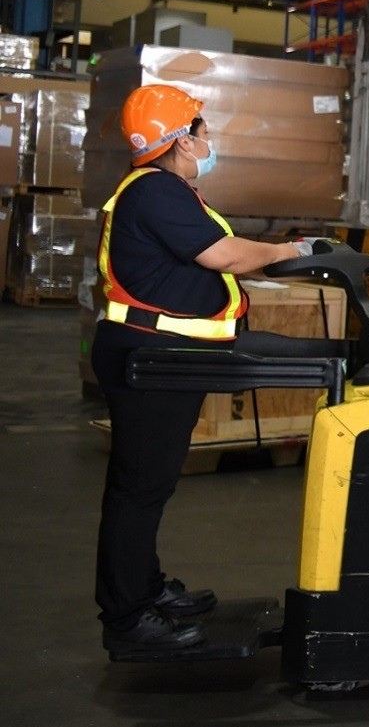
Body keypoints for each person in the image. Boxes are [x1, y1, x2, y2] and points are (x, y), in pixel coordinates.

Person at [95, 85, 314, 659]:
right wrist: (291, 251)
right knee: (138, 489)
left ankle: (144, 590)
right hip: (149, 357)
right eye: (200, 128)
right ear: (178, 139)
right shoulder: (157, 191)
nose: (206, 139)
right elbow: (226, 256)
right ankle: (126, 617)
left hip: (165, 355)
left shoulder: (163, 191)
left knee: (151, 484)